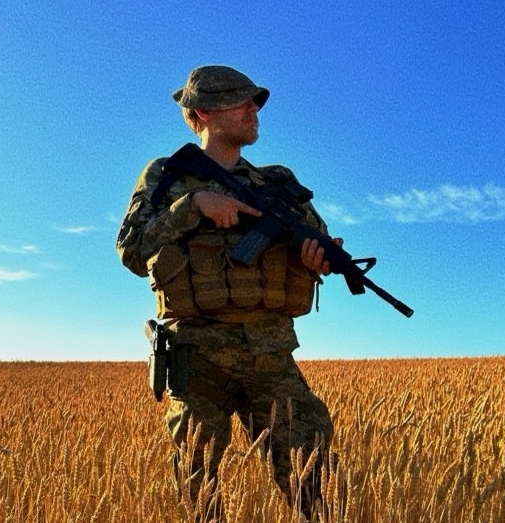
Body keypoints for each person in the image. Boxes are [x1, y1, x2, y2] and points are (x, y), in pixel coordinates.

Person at [116, 65, 342, 518]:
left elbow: (319, 241)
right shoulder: (167, 176)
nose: (253, 110)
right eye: (240, 102)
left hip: (269, 352)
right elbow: (132, 250)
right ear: (204, 112)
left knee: (315, 477)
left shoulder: (276, 183)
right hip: (197, 354)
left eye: (254, 102)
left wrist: (321, 258)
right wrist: (192, 206)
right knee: (198, 482)